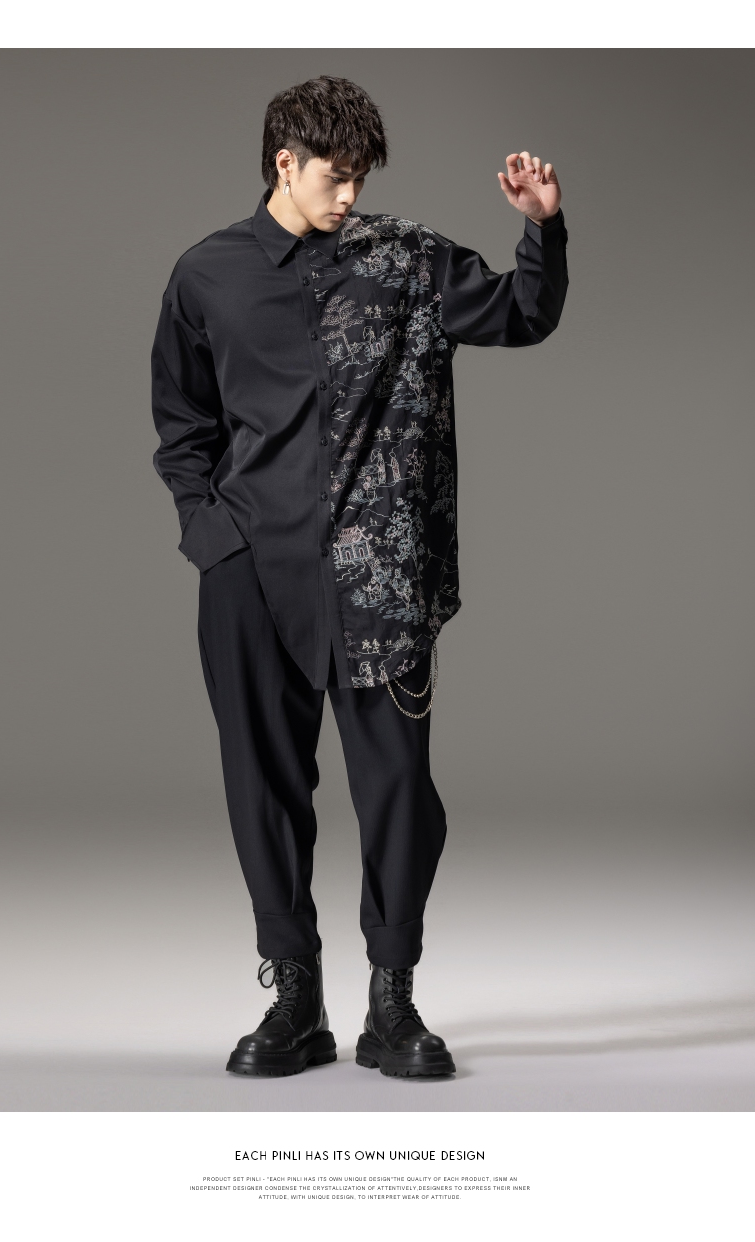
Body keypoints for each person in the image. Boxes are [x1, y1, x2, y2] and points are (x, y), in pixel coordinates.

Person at [151, 75, 568, 1079]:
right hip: (252, 576)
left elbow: (522, 315)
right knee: (263, 785)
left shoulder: (408, 259)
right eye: (334, 177)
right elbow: (183, 424)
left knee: (398, 791)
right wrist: (214, 537)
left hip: (380, 577)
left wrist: (542, 230)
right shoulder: (206, 274)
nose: (350, 196)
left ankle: (393, 1001)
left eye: (361, 179)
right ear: (283, 162)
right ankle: (294, 999)